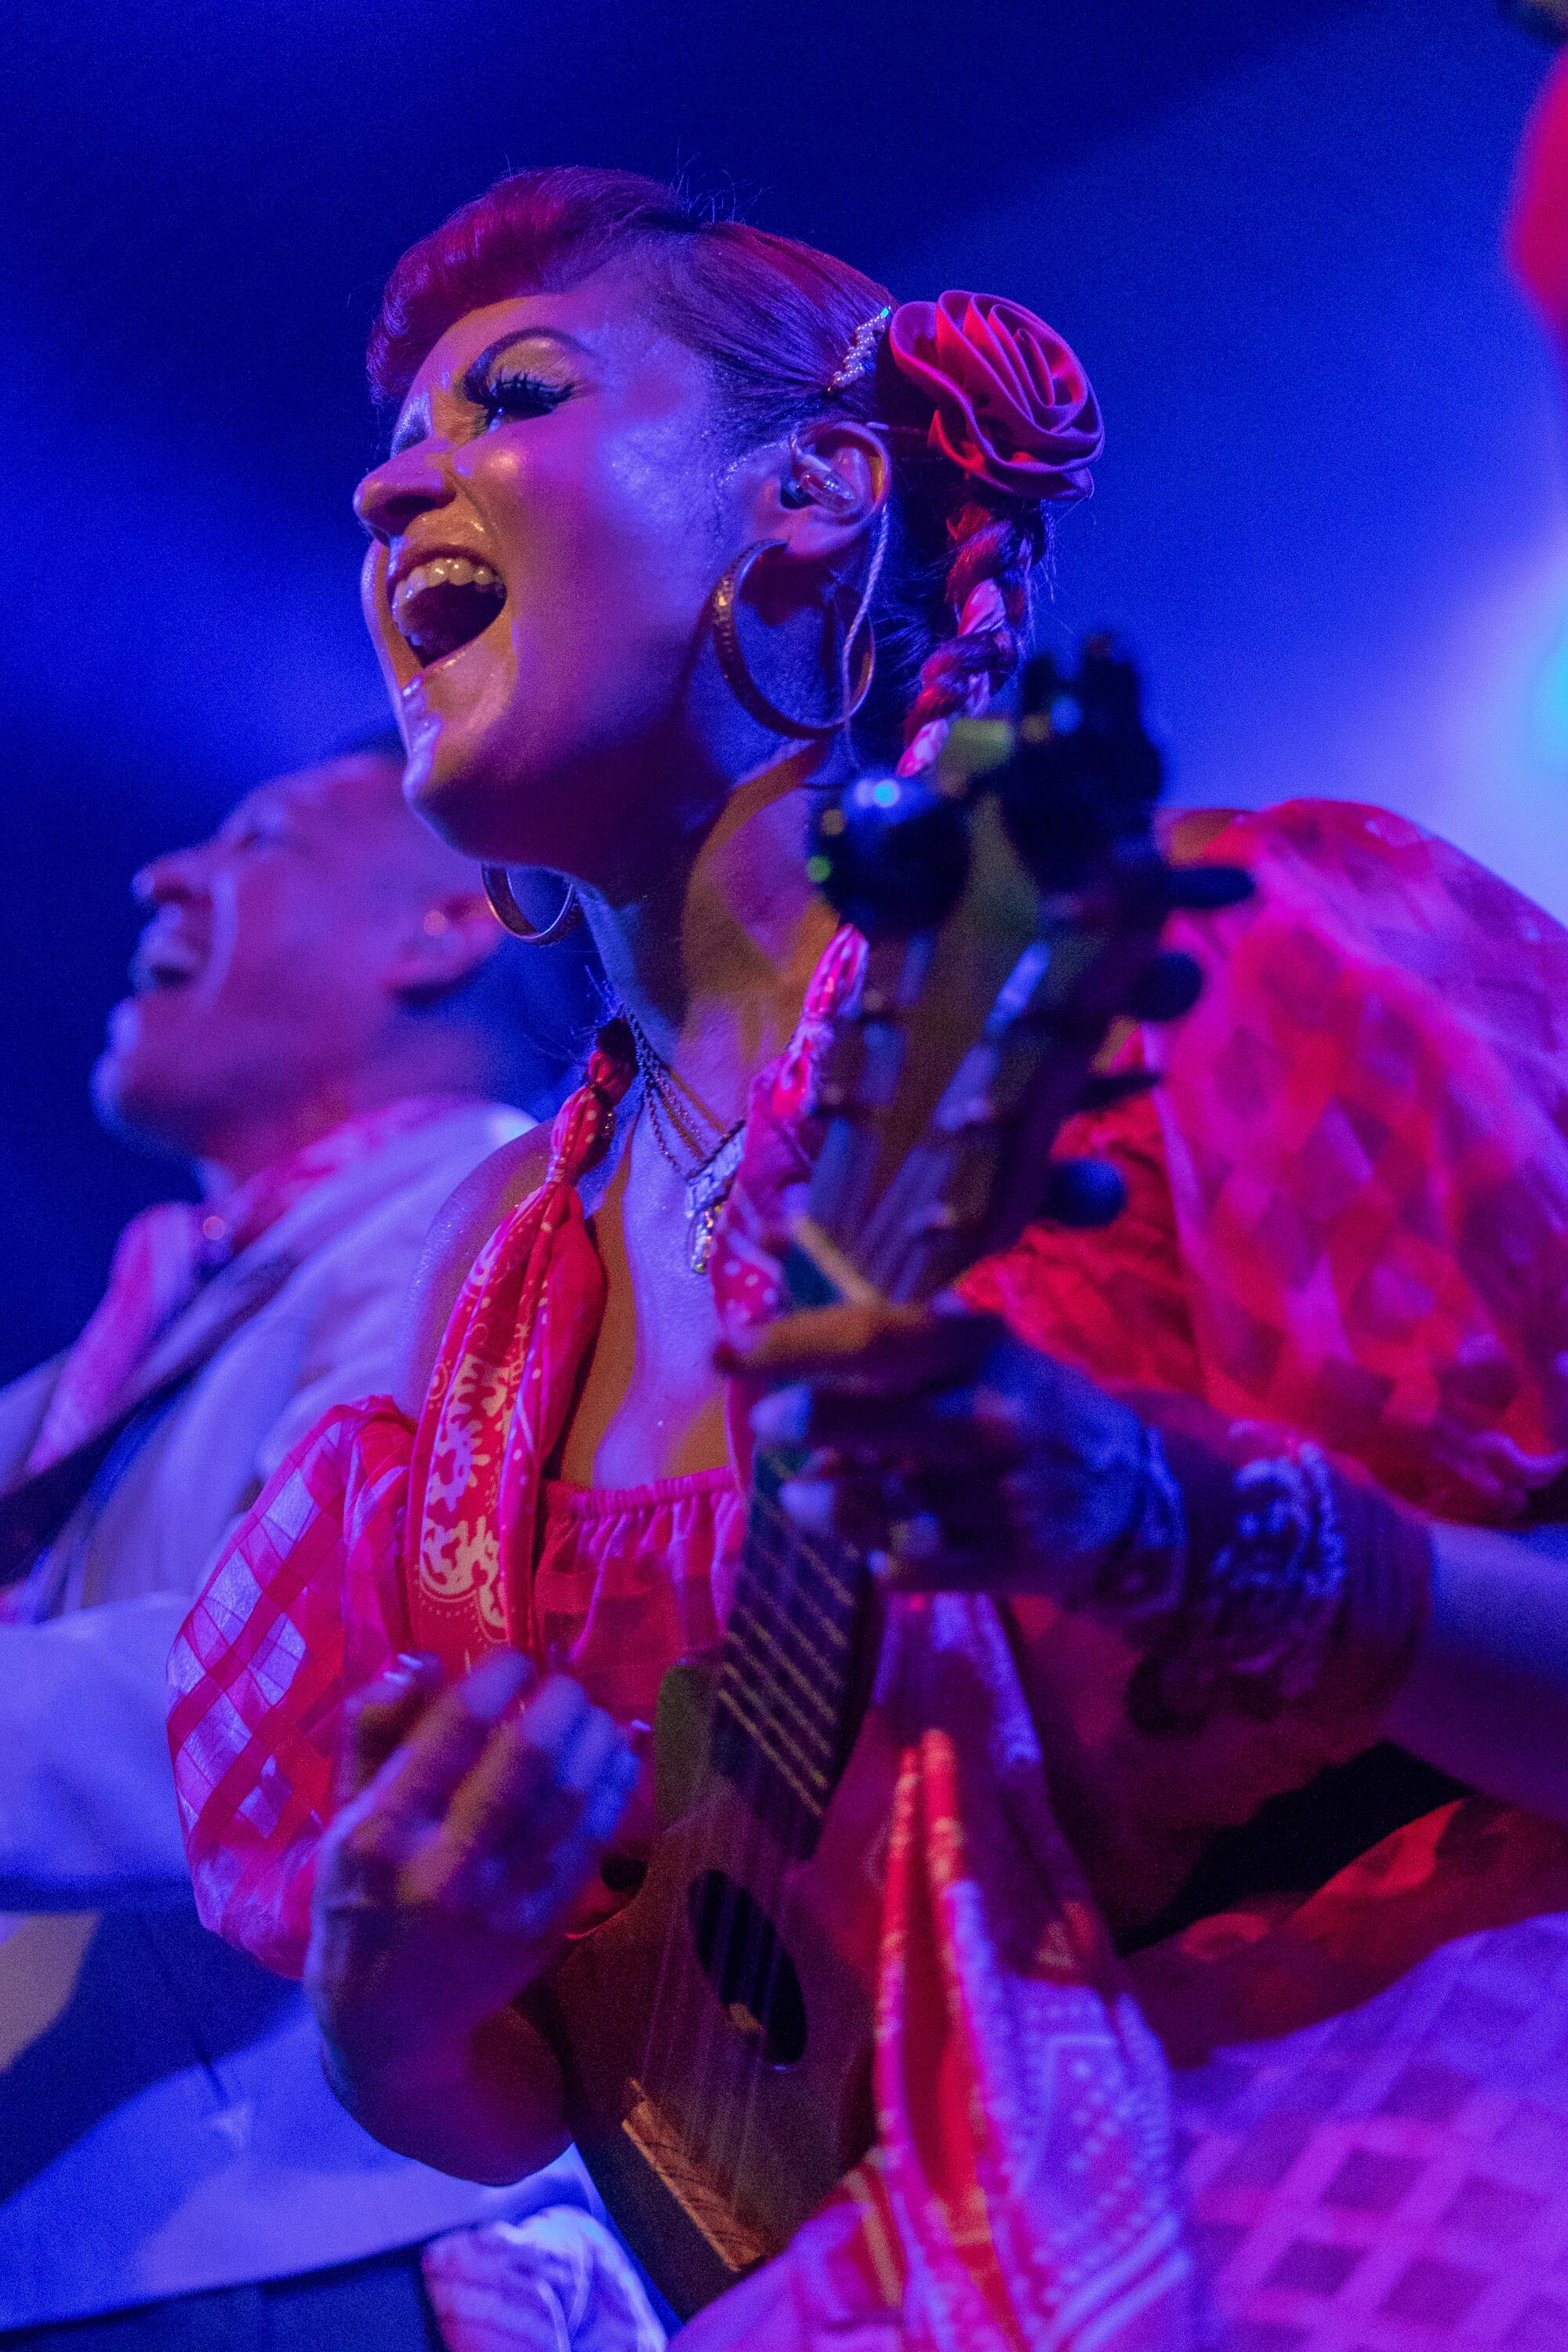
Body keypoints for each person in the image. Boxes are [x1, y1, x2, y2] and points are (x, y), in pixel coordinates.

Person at [168, 174, 1568, 2350]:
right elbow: (579, 2081)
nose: (383, 485)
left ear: (814, 495)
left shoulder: (1204, 997)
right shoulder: (460, 1380)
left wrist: (1209, 1536)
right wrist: (398, 2010)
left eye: (513, 393)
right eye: (389, 448)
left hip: (1406, 2202)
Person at [0, 739, 608, 2347]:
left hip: (282, 2243)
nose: (162, 876)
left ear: (439, 931)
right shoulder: (137, 1333)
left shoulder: (478, 1233)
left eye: (257, 840)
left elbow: (307, 1684)